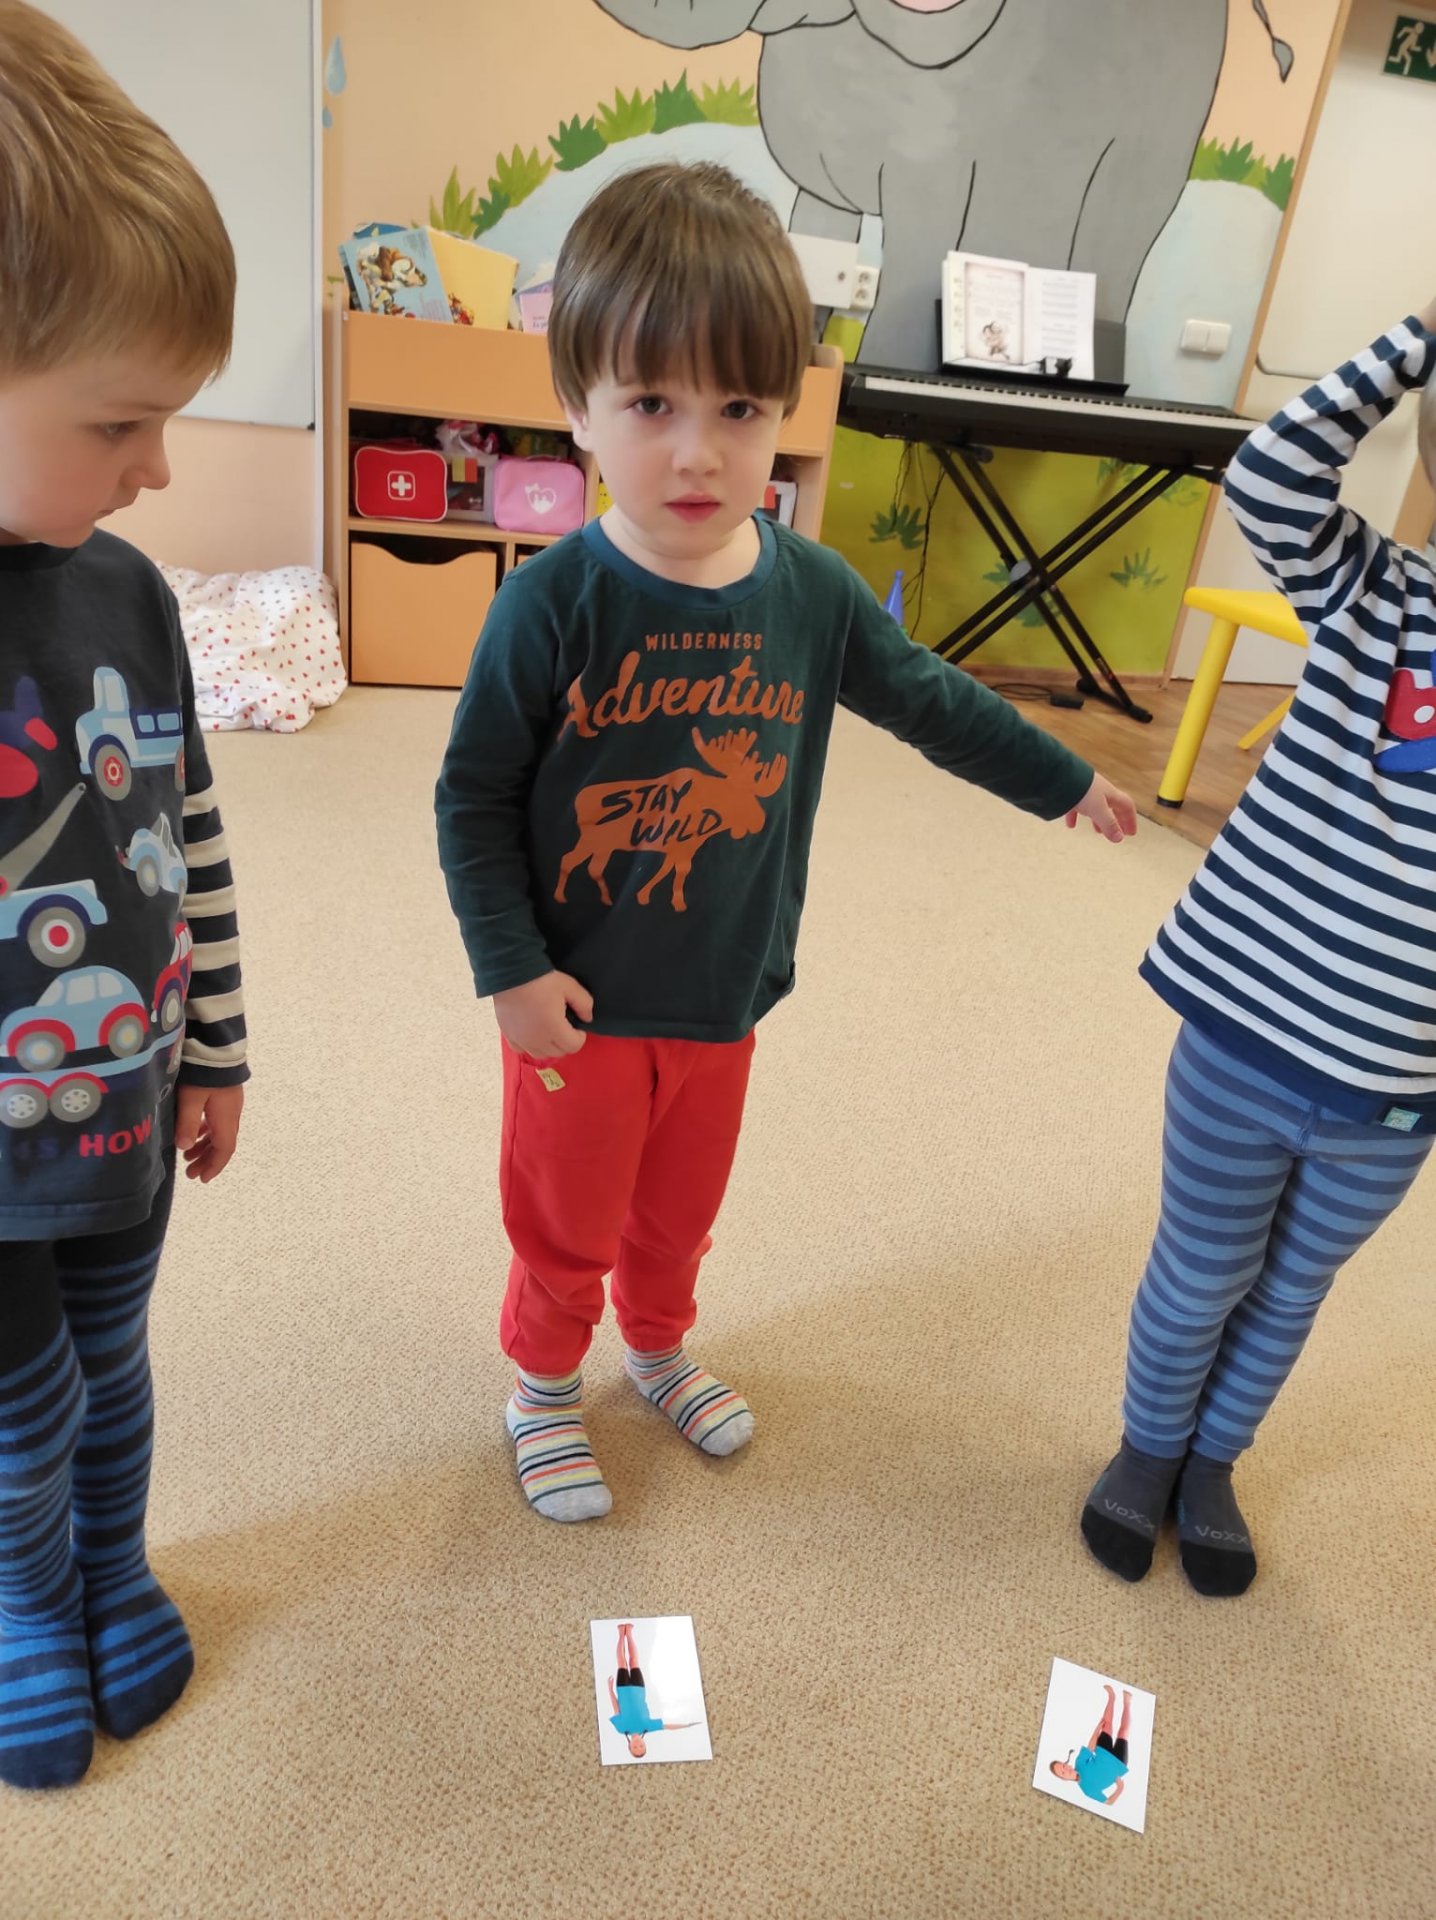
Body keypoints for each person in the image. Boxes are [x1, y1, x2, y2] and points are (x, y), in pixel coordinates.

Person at [436, 159, 1136, 1524]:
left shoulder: (807, 591)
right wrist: (509, 970)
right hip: (575, 1005)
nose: (697, 452)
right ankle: (543, 1386)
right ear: (577, 406)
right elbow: (471, 800)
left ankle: (655, 1348)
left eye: (739, 409)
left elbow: (927, 698)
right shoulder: (551, 604)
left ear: (786, 410)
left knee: (678, 1211)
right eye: (651, 404)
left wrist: (1056, 777)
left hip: (725, 992)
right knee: (565, 1215)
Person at [1081, 299, 1436, 1598]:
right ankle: (1147, 1448)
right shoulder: (1377, 594)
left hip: (1395, 1092)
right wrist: (1419, 333)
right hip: (1247, 1030)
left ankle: (1212, 1461)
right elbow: (1271, 471)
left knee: (1290, 1295)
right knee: (1201, 1274)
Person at [0, 0, 248, 1789]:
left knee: (119, 1368)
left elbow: (194, 835)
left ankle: (112, 1567)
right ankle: (24, 1609)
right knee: (18, 1420)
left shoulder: (132, 591)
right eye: (121, 422)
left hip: (128, 1106)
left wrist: (214, 1046)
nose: (157, 466)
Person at [606, 1622, 697, 1759]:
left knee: (622, 1663)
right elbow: (668, 1727)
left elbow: (616, 1708)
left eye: (635, 1747)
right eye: (641, 1746)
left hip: (623, 1689)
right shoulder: (648, 1727)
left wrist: (610, 1689)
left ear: (629, 1745)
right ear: (644, 1743)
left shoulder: (621, 1729)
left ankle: (621, 1634)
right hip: (639, 1688)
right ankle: (629, 1633)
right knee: (634, 1661)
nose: (638, 1745)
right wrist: (686, 1726)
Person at [1049, 1683, 1130, 1808]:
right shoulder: (1087, 1790)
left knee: (1107, 1723)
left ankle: (1111, 1697)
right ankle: (1127, 1702)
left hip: (1102, 1751)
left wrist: (1097, 1728)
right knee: (1123, 1731)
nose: (1066, 1769)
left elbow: (1090, 1747)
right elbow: (1108, 1802)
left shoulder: (1079, 1762)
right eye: (1063, 1772)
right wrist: (1119, 1789)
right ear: (1064, 1779)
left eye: (1063, 1766)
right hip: (1118, 1763)